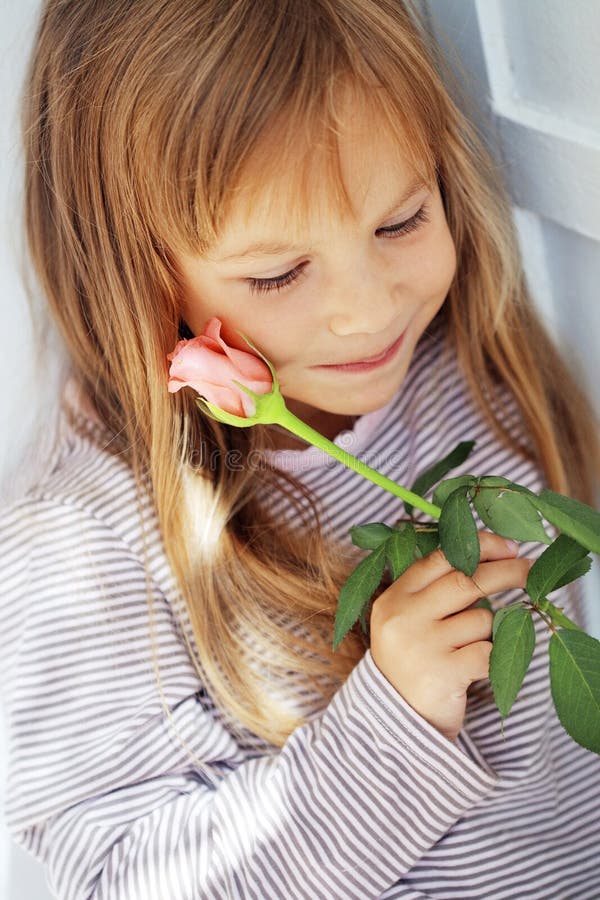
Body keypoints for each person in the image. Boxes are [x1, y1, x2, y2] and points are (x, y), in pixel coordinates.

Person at [2, 1, 599, 897]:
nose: (370, 310)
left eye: (401, 222)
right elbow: (127, 876)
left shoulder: (465, 365)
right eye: (277, 274)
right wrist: (394, 724)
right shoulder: (78, 552)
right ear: (132, 267)